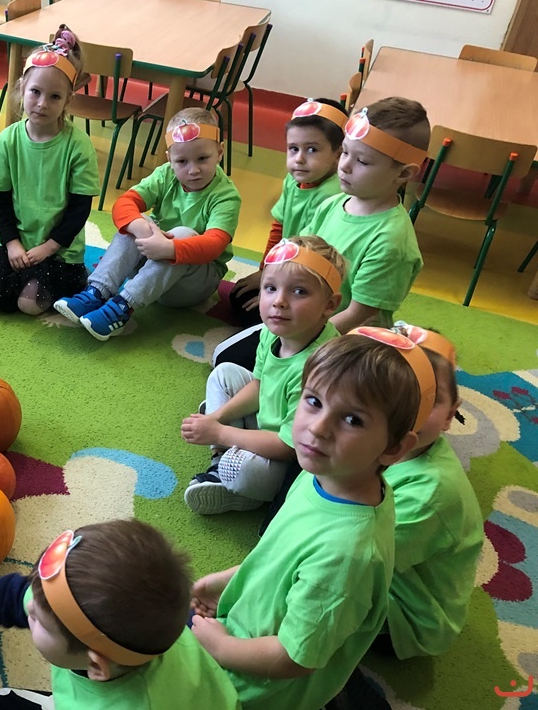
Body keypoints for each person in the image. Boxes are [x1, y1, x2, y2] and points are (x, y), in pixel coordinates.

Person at [190, 329, 436, 710]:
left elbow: (294, 657)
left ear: (394, 448)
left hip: (252, 688)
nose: (318, 428)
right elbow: (280, 553)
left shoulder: (346, 553)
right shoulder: (323, 474)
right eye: (314, 401)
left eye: (352, 419)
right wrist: (226, 581)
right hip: (243, 629)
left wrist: (221, 647)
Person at [0, 519, 241, 710]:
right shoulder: (142, 628)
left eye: (38, 621)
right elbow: (8, 596)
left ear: (96, 665)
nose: (26, 606)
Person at [213, 96, 428, 370]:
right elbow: (298, 257)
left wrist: (297, 344)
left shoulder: (391, 241)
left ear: (404, 173)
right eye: (345, 153)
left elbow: (358, 315)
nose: (344, 166)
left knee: (234, 362)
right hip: (305, 314)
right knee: (228, 344)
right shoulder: (334, 204)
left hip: (343, 340)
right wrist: (276, 297)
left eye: (362, 161)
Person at [182, 235, 345, 514]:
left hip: (287, 456)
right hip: (268, 423)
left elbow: (287, 447)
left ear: (330, 305)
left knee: (242, 469)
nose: (279, 301)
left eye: (299, 291)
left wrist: (220, 431)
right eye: (270, 288)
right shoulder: (273, 332)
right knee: (224, 373)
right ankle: (220, 461)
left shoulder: (321, 369)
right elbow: (260, 386)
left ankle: (241, 490)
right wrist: (217, 418)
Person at [0, 25, 100, 315]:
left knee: (28, 304)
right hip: (15, 243)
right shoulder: (7, 140)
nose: (42, 104)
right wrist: (12, 243)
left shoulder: (78, 146)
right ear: (21, 89)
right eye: (35, 92)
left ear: (68, 100)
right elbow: (0, 200)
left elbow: (80, 208)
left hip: (59, 251)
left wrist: (49, 247)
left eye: (55, 97)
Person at [53, 107, 241, 340]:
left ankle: (122, 307)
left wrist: (169, 248)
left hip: (193, 284)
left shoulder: (226, 196)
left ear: (220, 152)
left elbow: (214, 244)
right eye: (182, 161)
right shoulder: (165, 175)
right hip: (150, 268)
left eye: (203, 158)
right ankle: (97, 291)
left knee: (182, 233)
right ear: (169, 159)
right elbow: (124, 203)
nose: (193, 170)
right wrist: (141, 228)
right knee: (138, 220)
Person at [380, 323, 483, 659]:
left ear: (451, 414)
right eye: (393, 394)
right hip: (384, 570)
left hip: (410, 618)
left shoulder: (431, 494)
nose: (409, 410)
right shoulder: (373, 446)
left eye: (428, 398)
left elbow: (353, 563)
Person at [228, 98, 346, 328]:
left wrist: (278, 294)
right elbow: (278, 228)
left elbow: (319, 261)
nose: (299, 158)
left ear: (338, 155)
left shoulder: (333, 196)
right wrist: (265, 274)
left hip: (310, 280)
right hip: (288, 265)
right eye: (293, 149)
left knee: (252, 314)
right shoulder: (293, 180)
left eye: (312, 150)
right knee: (238, 296)